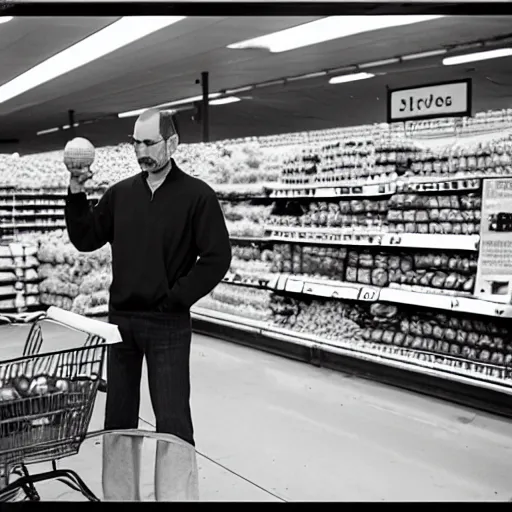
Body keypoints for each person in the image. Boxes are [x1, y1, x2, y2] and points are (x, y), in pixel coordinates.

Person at [64, 108, 232, 501]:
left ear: (172, 143)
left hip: (168, 325)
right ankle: (120, 497)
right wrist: (76, 191)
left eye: (149, 142)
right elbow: (86, 238)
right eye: (135, 142)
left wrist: (177, 298)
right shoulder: (121, 194)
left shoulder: (197, 196)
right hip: (120, 322)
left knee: (172, 419)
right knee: (119, 419)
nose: (140, 151)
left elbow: (217, 257)